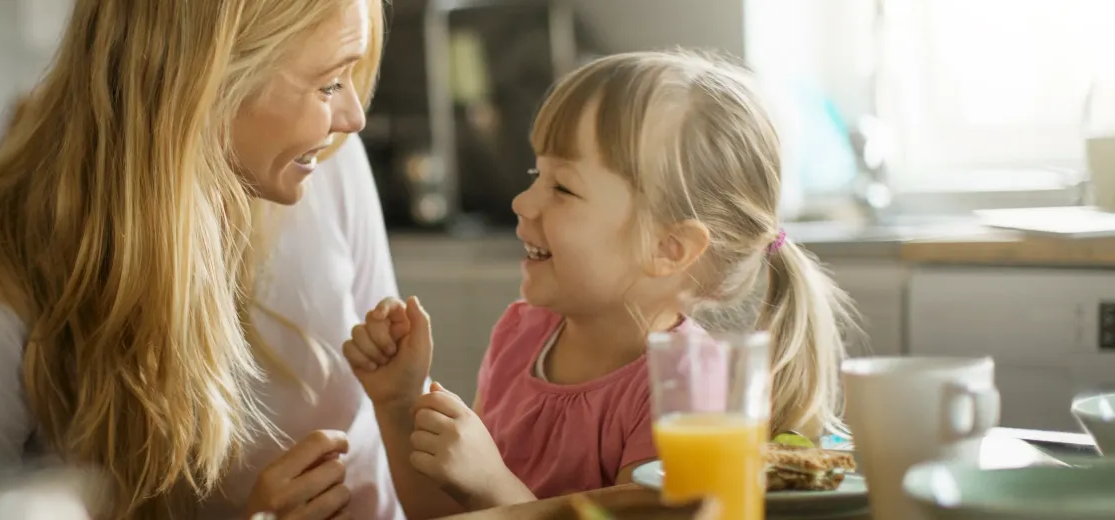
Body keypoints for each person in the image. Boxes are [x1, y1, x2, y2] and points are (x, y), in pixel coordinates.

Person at [0, 0, 402, 519]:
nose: (353, 118)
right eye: (327, 85)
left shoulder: (329, 167)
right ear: (206, 81)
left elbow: (388, 408)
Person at [341, 51, 859, 518]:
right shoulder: (522, 334)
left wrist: (493, 485)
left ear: (668, 249)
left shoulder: (685, 391)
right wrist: (398, 405)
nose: (523, 202)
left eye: (562, 187)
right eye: (535, 173)